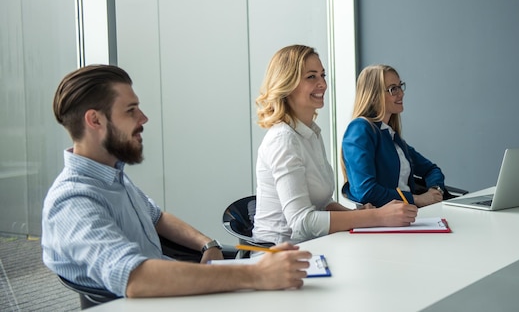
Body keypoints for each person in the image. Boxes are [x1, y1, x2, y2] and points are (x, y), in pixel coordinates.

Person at [42, 64, 311, 298]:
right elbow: (135, 279)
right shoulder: (73, 201)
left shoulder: (111, 177)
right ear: (95, 120)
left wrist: (208, 244)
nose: (143, 118)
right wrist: (257, 276)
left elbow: (157, 218)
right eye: (131, 110)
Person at [252, 45, 417, 245]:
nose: (322, 83)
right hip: (279, 255)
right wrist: (378, 217)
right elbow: (301, 222)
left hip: (315, 245)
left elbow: (322, 203)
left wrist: (360, 214)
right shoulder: (283, 140)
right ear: (287, 84)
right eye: (311, 77)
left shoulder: (311, 133)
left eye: (323, 75)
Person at [341, 64, 447, 208]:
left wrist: (435, 190)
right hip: (385, 220)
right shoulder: (360, 129)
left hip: (410, 215)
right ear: (373, 97)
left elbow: (431, 169)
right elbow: (366, 191)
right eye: (393, 89)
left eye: (400, 86)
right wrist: (416, 199)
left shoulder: (390, 135)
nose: (401, 94)